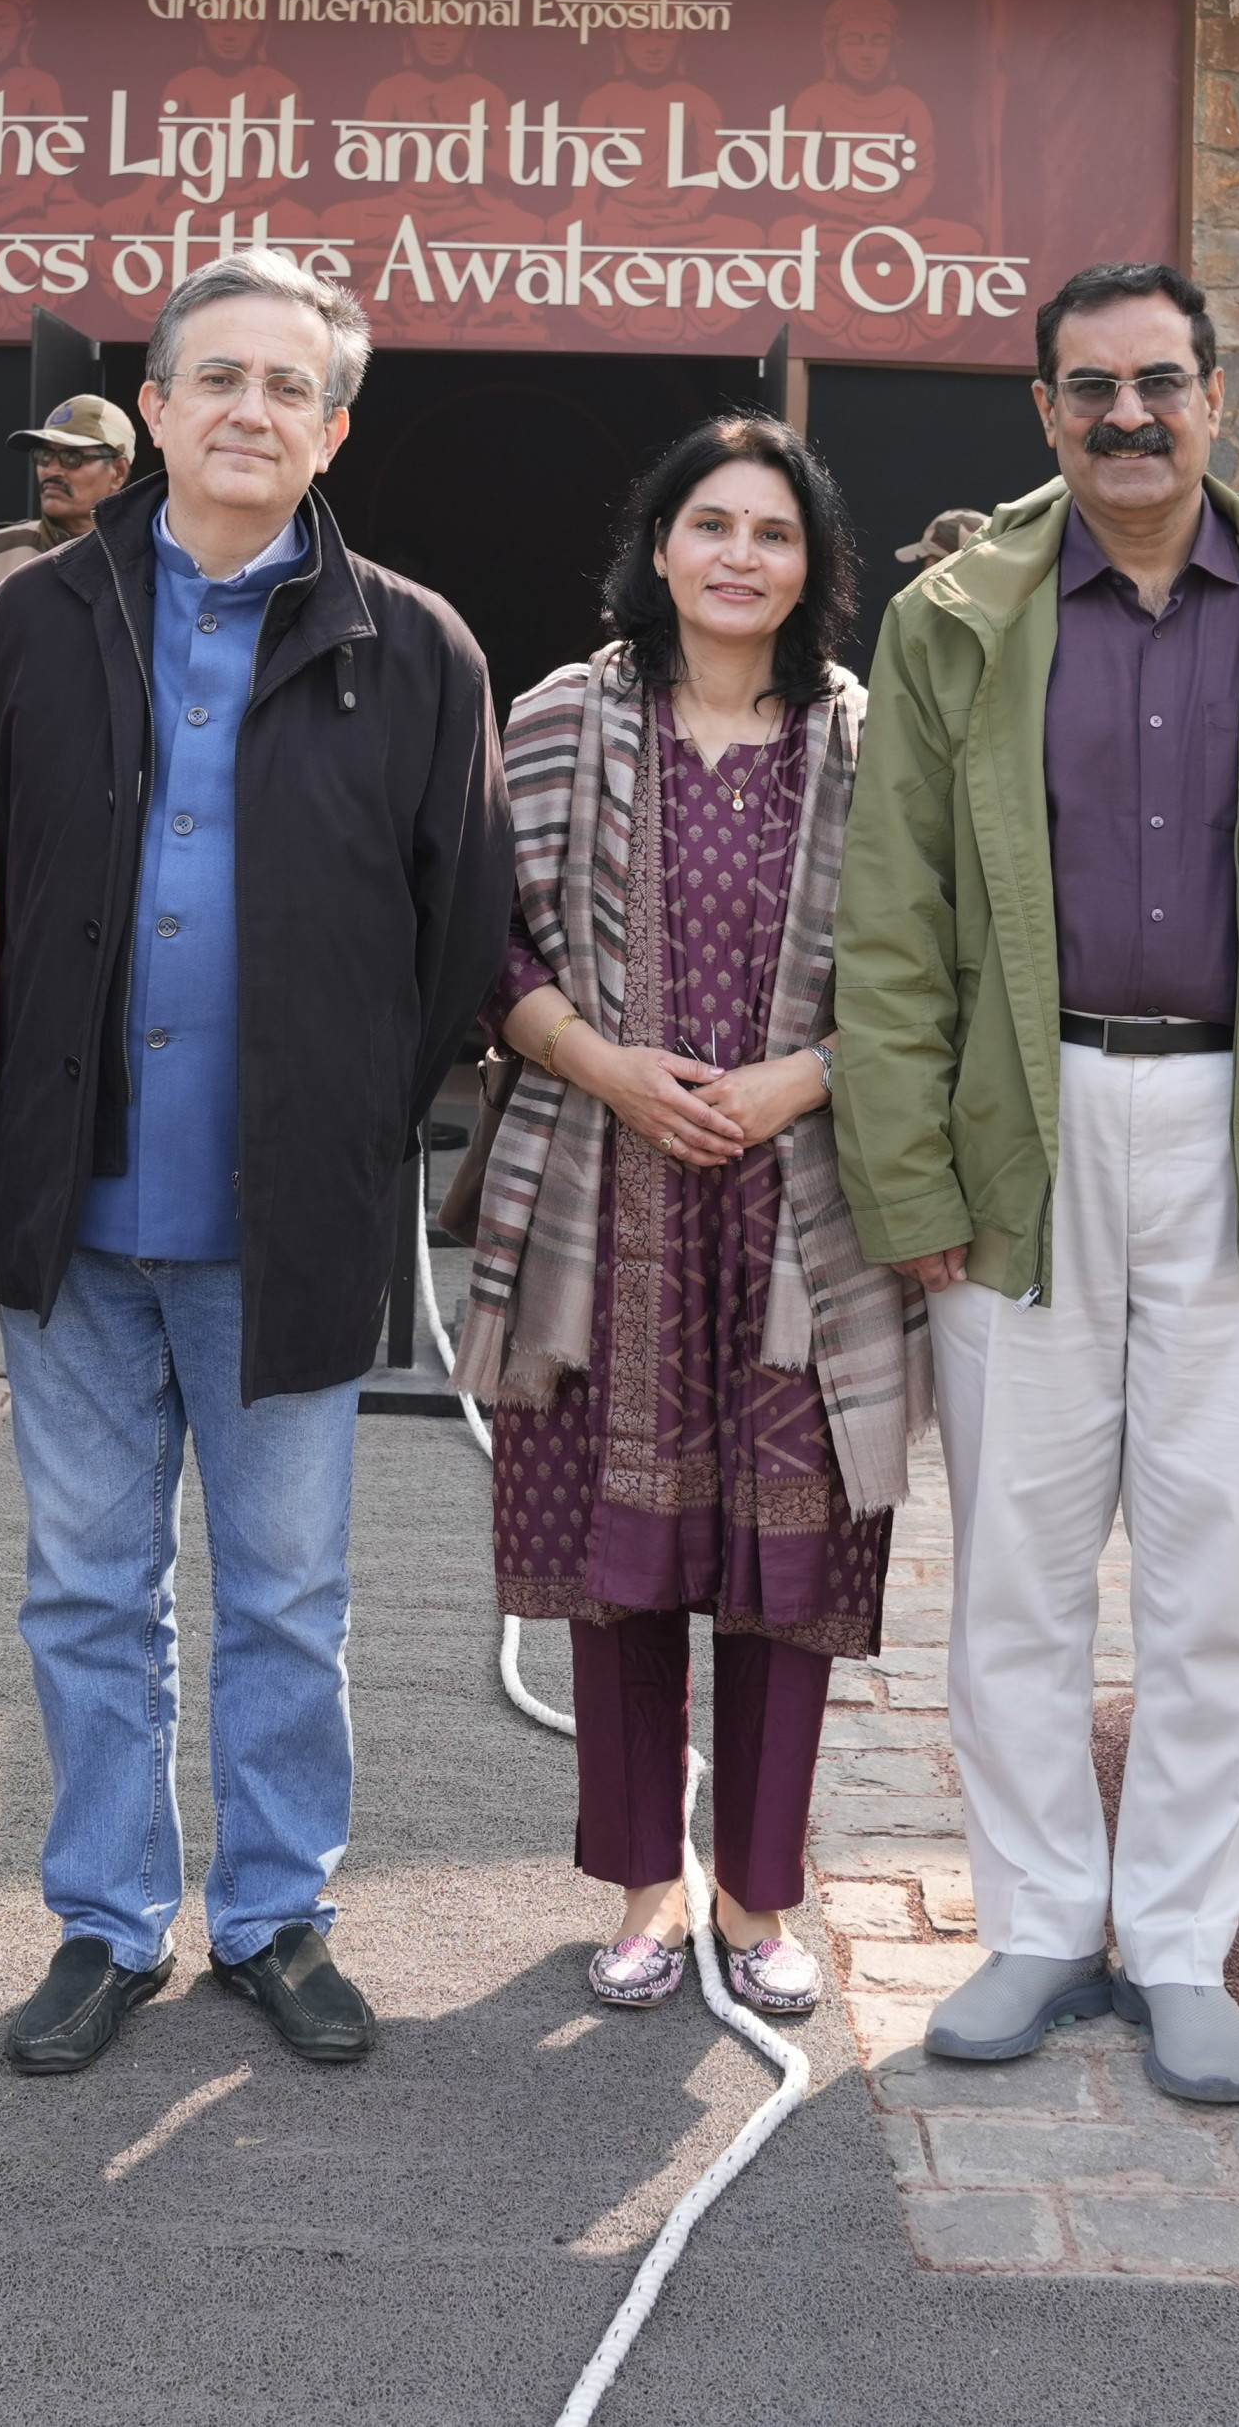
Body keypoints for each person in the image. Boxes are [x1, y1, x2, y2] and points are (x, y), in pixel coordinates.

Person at [838, 260, 1239, 2110]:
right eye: (1091, 387)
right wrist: (911, 1165)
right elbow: (896, 928)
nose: (1129, 417)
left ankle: (1181, 1940)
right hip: (1024, 1128)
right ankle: (1037, 1921)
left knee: (1216, 1571)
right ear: (1043, 411)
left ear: (1217, 399)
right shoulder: (956, 620)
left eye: (1161, 384)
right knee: (1018, 1569)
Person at [0, 247, 505, 2076]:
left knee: (286, 1595)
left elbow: (457, 940)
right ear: (158, 405)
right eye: (219, 378)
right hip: (79, 1208)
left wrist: (348, 1111)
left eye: (291, 386)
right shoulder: (42, 623)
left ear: (335, 425)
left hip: (288, 1221)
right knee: (85, 1591)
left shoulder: (415, 647)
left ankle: (276, 1915)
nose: (251, 411)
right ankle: (107, 1922)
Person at [454, 415, 924, 2019]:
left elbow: (942, 975)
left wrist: (803, 1078)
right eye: (708, 523)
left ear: (813, 568)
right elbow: (484, 955)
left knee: (786, 1563)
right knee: (622, 1558)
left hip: (809, 1209)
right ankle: (647, 1883)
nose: (738, 555)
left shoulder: (879, 742)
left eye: (773, 532)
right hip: (608, 1194)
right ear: (658, 547)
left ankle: (757, 1890)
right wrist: (603, 1066)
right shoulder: (555, 721)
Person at [0, 392, 140, 706]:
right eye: (44, 456)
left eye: (72, 458)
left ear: (118, 472)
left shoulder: (151, 561)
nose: (51, 471)